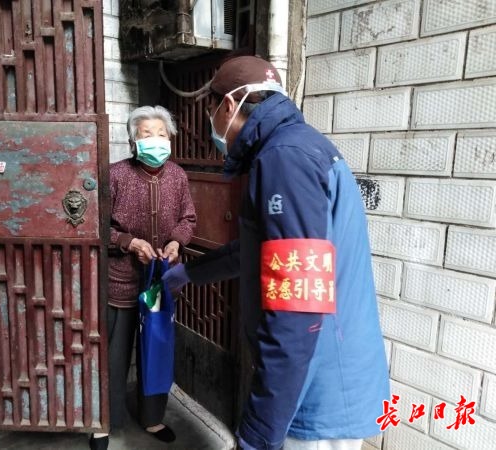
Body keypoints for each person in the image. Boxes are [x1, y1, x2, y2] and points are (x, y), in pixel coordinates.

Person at [162, 56, 390, 450]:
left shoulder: (285, 158)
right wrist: (190, 273)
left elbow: (296, 310)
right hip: (327, 371)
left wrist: (258, 435)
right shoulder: (301, 146)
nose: (211, 123)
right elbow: (260, 252)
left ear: (228, 105)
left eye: (210, 110)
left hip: (316, 384)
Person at [90, 105, 196, 450]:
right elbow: (96, 225)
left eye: (161, 134)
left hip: (160, 282)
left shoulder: (178, 176)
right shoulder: (115, 175)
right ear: (133, 141)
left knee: (156, 351)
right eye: (146, 134)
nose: (155, 140)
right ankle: (104, 422)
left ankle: (152, 418)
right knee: (114, 356)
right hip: (120, 280)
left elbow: (188, 219)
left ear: (170, 139)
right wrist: (128, 242)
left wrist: (176, 242)